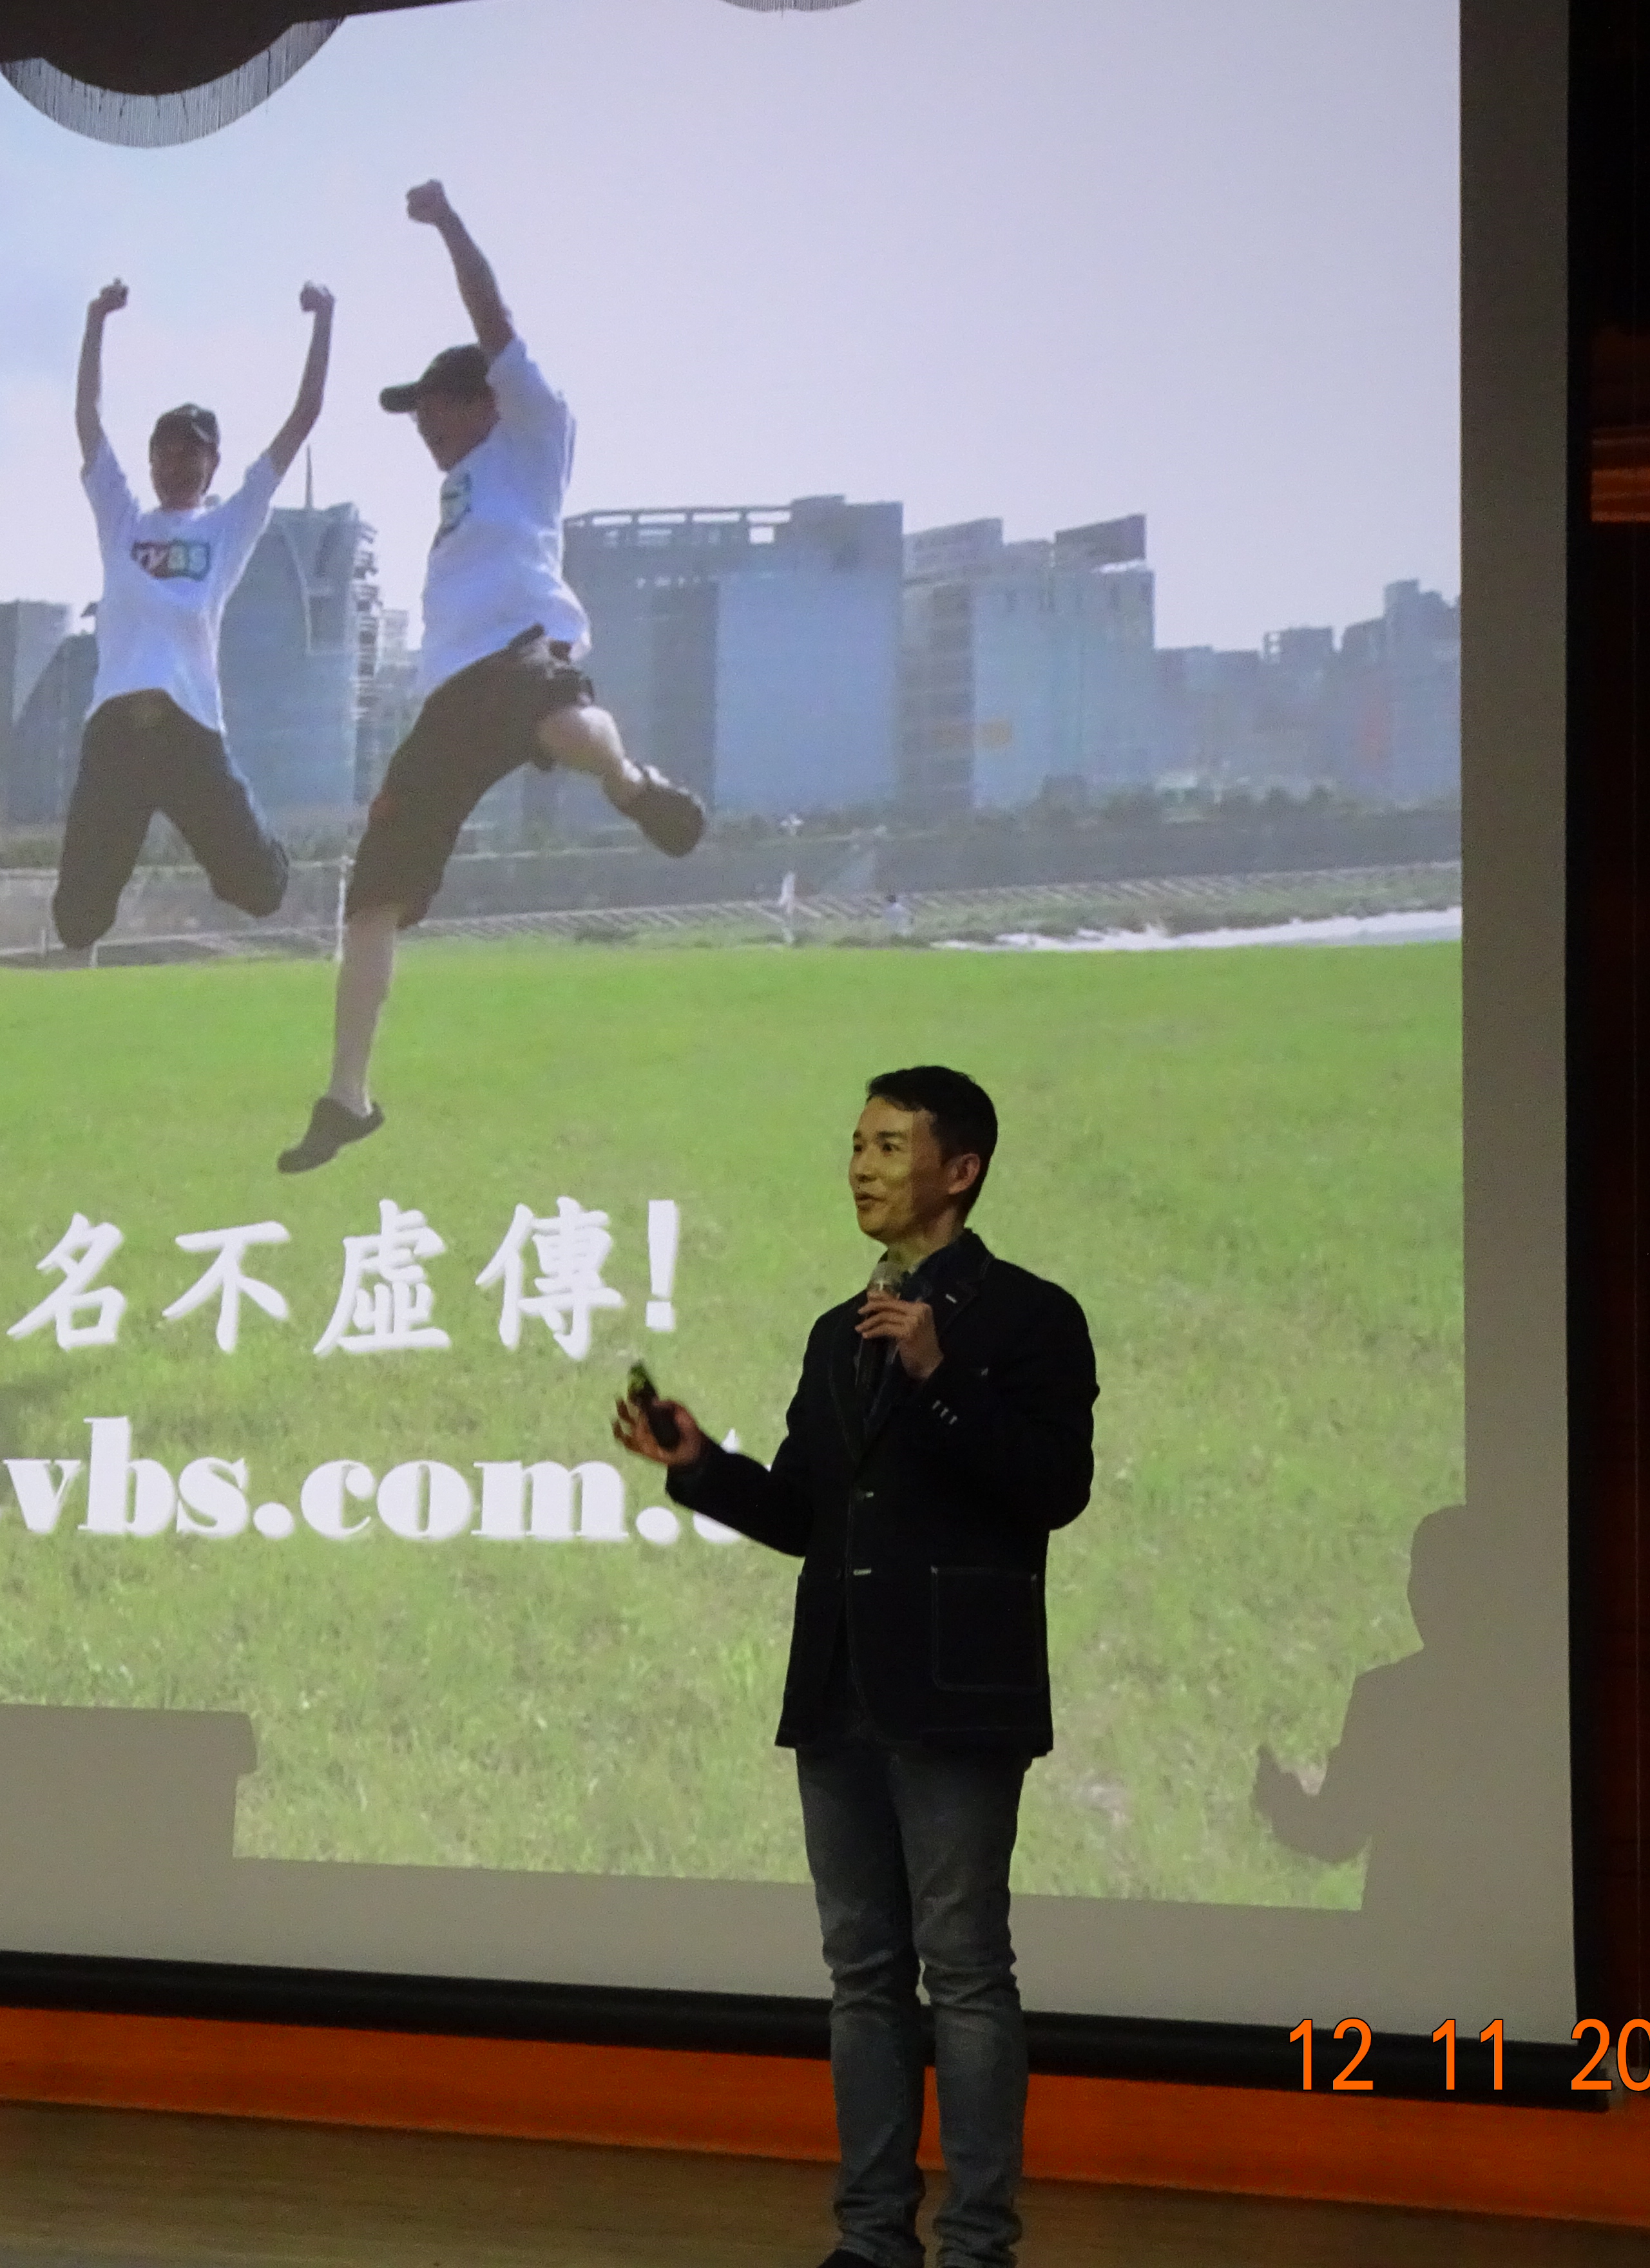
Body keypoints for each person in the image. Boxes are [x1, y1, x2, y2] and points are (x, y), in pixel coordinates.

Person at [613, 1067, 1096, 2268]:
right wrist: (700, 1464)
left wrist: (940, 1376)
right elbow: (805, 1514)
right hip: (838, 1691)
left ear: (960, 1170)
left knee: (966, 1974)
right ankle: (873, 2238)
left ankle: (978, 2245)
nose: (862, 1168)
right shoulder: (842, 1331)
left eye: (888, 1146)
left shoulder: (1030, 1317)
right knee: (862, 1976)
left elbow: (1053, 1488)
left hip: (956, 1697)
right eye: (856, 1145)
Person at [277, 180, 706, 1173]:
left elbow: (493, 317)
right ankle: (347, 1096)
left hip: (525, 646)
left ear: (487, 400)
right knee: (373, 891)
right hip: (447, 698)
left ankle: (632, 784)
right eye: (415, 414)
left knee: (557, 723)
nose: (423, 424)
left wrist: (446, 225)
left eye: (436, 406)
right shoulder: (460, 490)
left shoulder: (534, 436)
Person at [53, 278, 334, 955]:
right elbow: (88, 421)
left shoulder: (226, 527)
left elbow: (303, 419)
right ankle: (129, 844)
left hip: (189, 730)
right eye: (168, 451)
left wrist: (324, 319)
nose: (179, 463)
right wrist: (96, 322)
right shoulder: (123, 520)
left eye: (194, 452)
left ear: (214, 464)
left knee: (261, 891)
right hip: (116, 731)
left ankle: (226, 840)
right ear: (151, 461)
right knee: (77, 923)